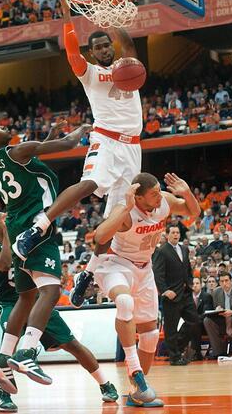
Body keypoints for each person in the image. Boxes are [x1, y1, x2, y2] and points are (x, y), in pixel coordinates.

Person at [13, 0, 143, 307]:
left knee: (119, 217)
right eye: (96, 46)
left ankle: (87, 274)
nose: (103, 49)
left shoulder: (126, 65)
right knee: (88, 184)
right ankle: (39, 226)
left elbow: (129, 48)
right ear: (91, 51)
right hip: (106, 138)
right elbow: (71, 48)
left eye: (105, 45)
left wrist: (111, 22)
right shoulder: (88, 73)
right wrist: (67, 15)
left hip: (133, 148)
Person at [0, 120, 90, 393]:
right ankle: (27, 351)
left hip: (15, 225)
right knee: (50, 291)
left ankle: (3, 355)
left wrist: (48, 135)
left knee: (26, 297)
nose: (2, 127)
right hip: (36, 226)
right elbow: (69, 144)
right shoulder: (17, 151)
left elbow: (30, 158)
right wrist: (82, 131)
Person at [0, 213, 118, 410]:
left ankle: (105, 384)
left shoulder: (25, 244)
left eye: (7, 215)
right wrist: (6, 231)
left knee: (73, 345)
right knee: (7, 348)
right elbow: (4, 264)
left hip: (36, 301)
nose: (6, 217)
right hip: (10, 303)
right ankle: (3, 395)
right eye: (0, 217)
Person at [92, 172, 200, 406]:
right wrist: (125, 206)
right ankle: (135, 370)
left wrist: (187, 192)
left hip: (145, 268)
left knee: (150, 335)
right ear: (138, 198)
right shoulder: (126, 211)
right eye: (152, 194)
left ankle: (137, 392)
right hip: (117, 265)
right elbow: (99, 236)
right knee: (124, 302)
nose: (158, 196)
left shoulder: (163, 201)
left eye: (158, 191)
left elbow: (193, 212)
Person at [153, 225, 201, 366]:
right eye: (173, 232)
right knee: (171, 329)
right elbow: (157, 273)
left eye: (177, 232)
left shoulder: (184, 249)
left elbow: (187, 269)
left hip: (185, 293)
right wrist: (165, 291)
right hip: (171, 296)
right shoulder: (161, 251)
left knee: (195, 321)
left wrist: (191, 283)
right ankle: (174, 358)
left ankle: (178, 349)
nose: (175, 235)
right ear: (167, 235)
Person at [204, 271, 232, 358]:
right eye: (222, 281)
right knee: (207, 320)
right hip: (223, 322)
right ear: (219, 282)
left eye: (226, 280)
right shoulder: (216, 292)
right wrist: (217, 310)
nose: (224, 283)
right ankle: (219, 352)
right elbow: (216, 310)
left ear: (231, 281)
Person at [179, 277, 213, 361]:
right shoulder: (186, 297)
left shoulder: (206, 296)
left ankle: (194, 352)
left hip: (204, 325)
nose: (195, 285)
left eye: (197, 283)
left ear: (201, 285)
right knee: (183, 326)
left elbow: (206, 313)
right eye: (193, 284)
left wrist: (193, 320)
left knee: (194, 325)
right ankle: (178, 352)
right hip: (190, 324)